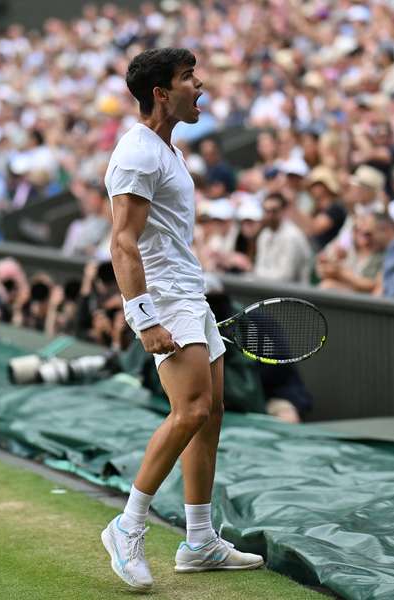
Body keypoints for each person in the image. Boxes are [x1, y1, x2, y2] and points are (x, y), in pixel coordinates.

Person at [101, 48, 262, 591]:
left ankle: (199, 542)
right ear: (161, 94)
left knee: (211, 413)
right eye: (189, 78)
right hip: (164, 297)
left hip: (190, 293)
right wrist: (142, 316)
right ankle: (127, 527)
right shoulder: (138, 153)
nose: (202, 85)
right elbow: (122, 241)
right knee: (189, 409)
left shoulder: (167, 149)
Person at [254, 192, 313, 284]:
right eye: (266, 211)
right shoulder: (264, 234)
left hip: (295, 293)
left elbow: (285, 276)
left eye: (274, 211)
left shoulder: (292, 236)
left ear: (283, 211)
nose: (269, 215)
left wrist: (256, 275)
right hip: (268, 288)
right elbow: (259, 266)